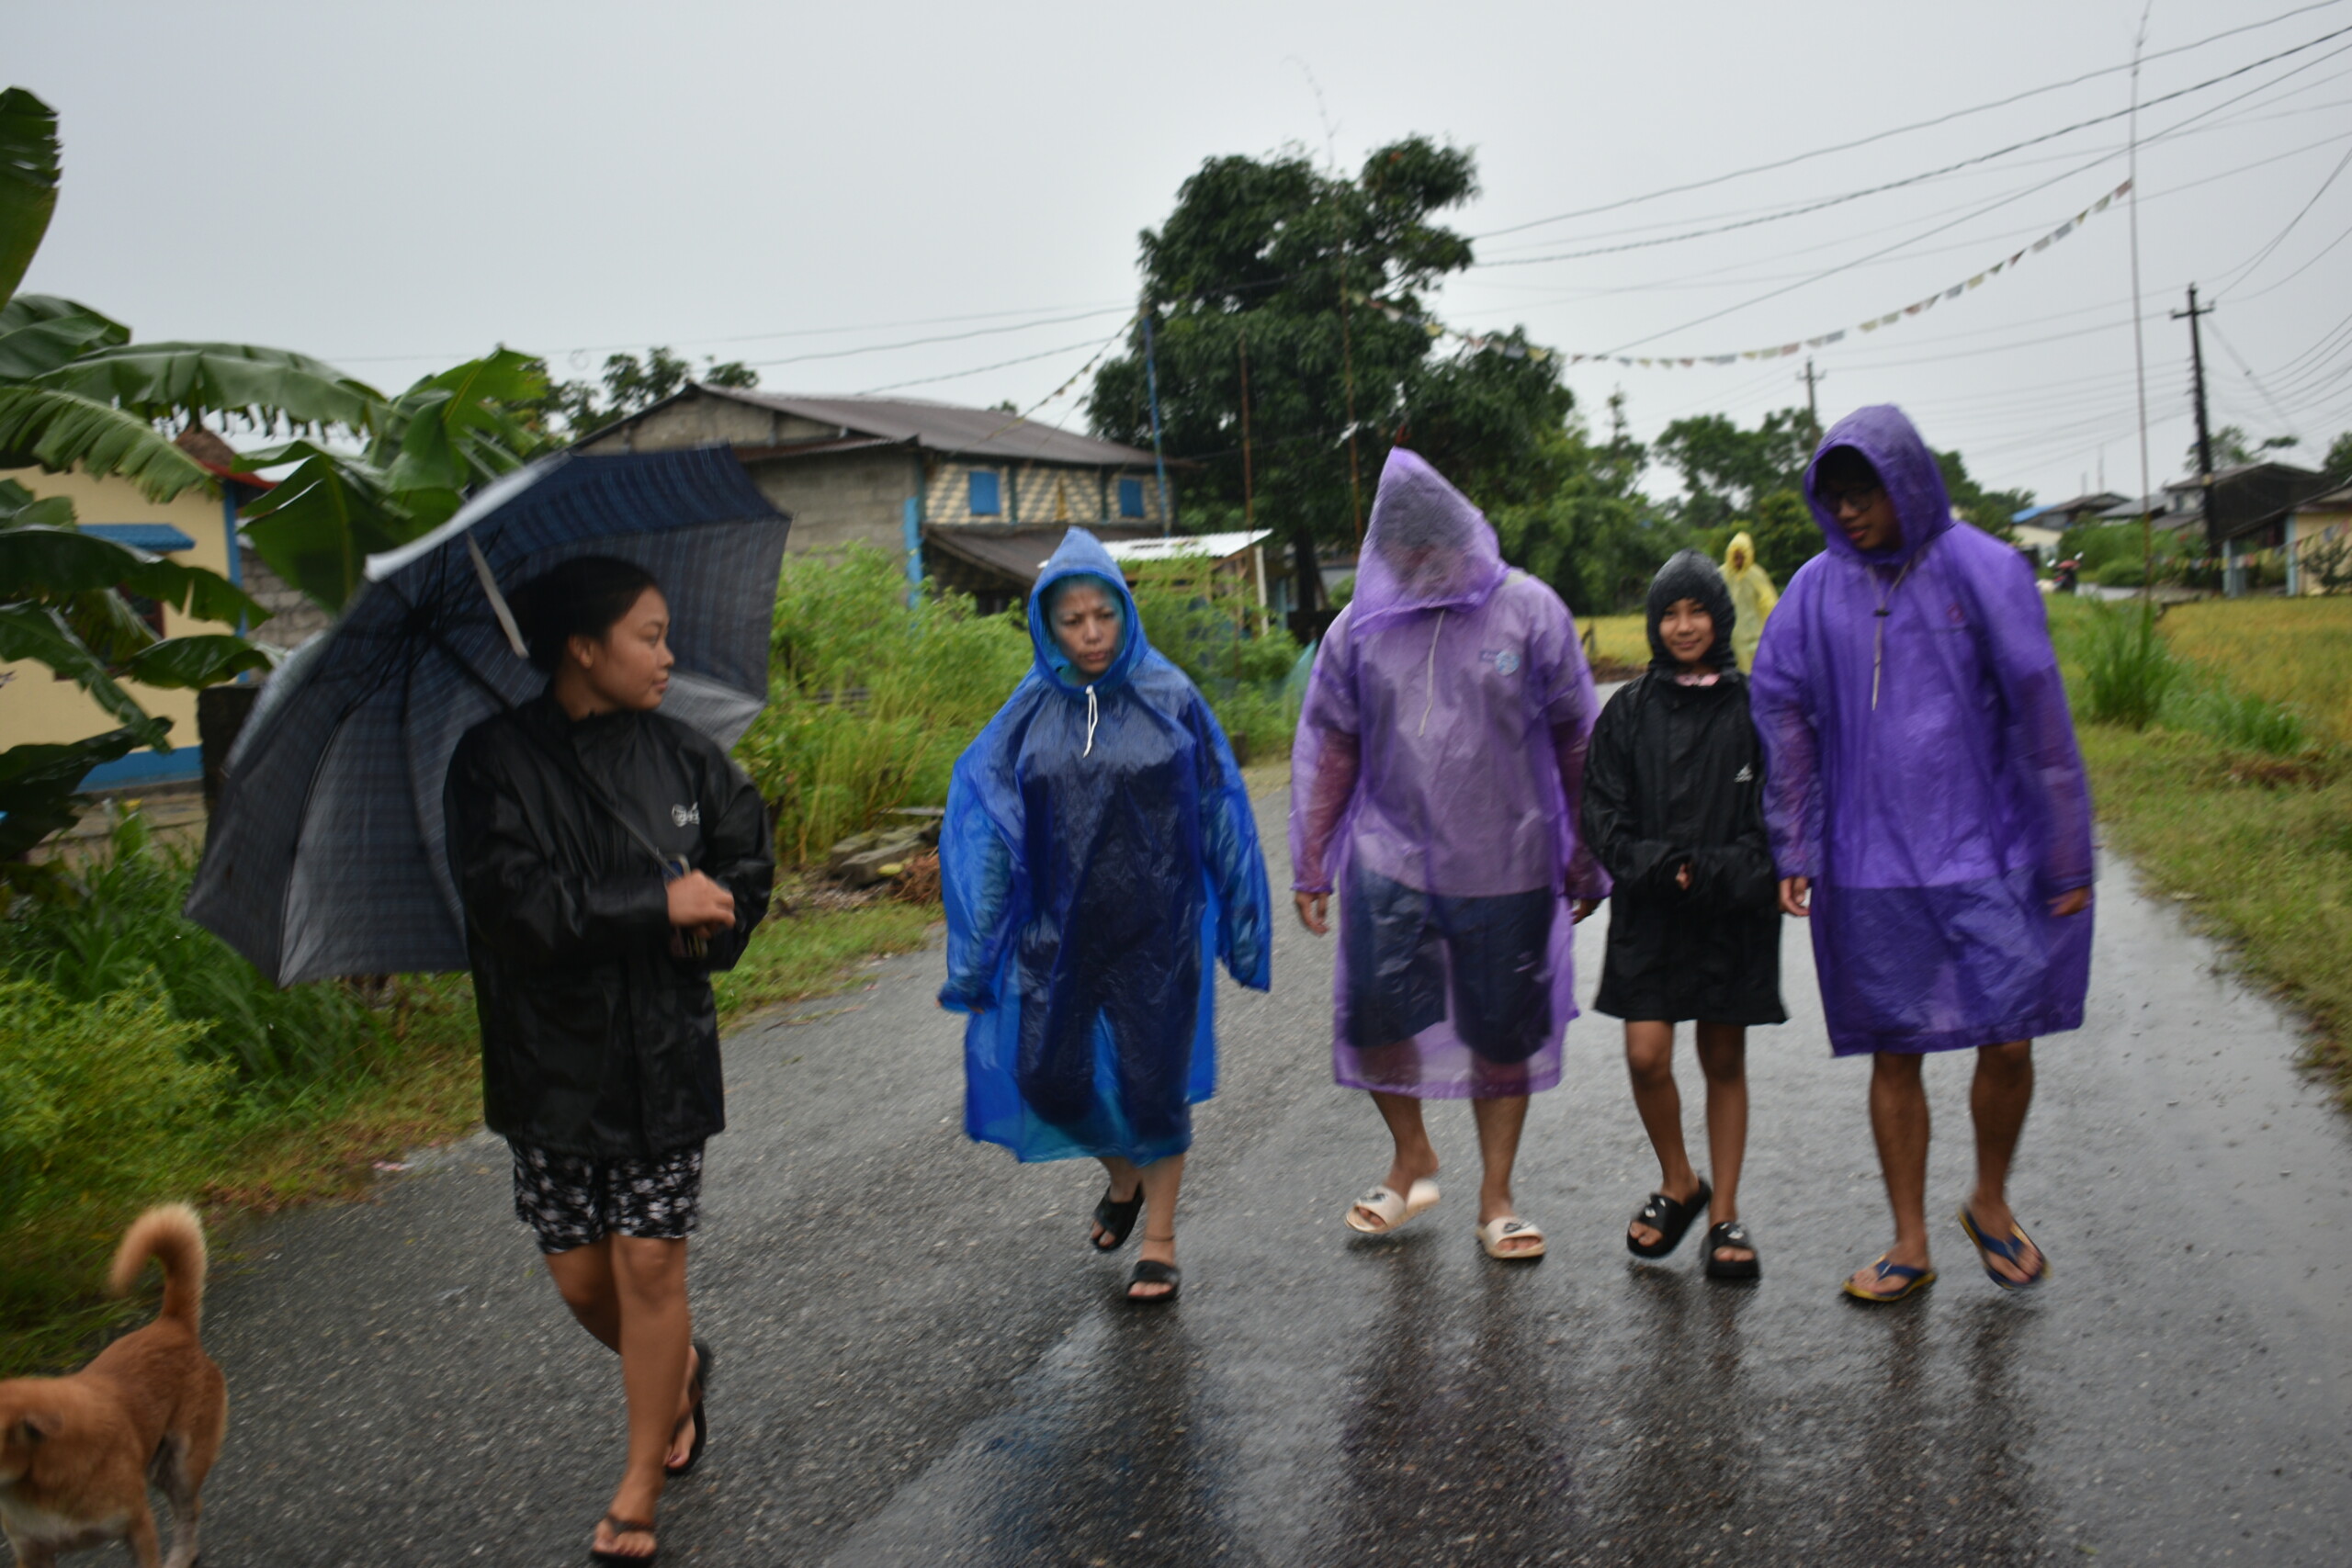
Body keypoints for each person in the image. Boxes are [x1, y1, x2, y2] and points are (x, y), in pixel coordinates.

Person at [444, 555, 773, 1564]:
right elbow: (515, 909)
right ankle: (676, 1375)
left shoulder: (686, 759)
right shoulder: (491, 763)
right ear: (582, 648)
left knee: (648, 1264)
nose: (669, 655)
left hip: (664, 1059)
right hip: (549, 1066)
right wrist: (651, 904)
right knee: (585, 1281)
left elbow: (744, 863)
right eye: (648, 635)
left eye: (666, 633)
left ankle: (639, 1484)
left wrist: (709, 921)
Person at [1749, 407, 2094, 1304]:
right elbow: (1778, 703)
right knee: (1893, 1048)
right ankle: (1908, 1239)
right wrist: (1795, 832)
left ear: (1906, 481)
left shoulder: (1984, 569)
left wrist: (2064, 850)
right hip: (1868, 861)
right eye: (1835, 497)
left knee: (2008, 1037)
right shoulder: (1814, 591)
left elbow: (2040, 715)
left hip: (1988, 852)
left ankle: (1988, 1197)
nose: (1851, 511)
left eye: (1864, 491)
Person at [1290, 446, 1608, 1262]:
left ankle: (1497, 1196)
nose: (1424, 566)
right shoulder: (1358, 626)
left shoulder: (1528, 612)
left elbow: (1577, 740)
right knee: (1375, 1017)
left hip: (1508, 859)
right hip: (1390, 858)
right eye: (1405, 553)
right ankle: (1412, 1156)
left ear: (1465, 539)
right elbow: (1333, 745)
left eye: (1437, 549)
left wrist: (1584, 852)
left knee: (1502, 1033)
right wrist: (1312, 855)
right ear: (1383, 553)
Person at [938, 527, 1271, 1304]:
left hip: (1159, 931)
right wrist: (976, 951)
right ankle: (1123, 1178)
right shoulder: (1027, 712)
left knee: (1157, 1087)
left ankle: (1159, 1239)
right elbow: (984, 829)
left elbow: (1223, 812)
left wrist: (1245, 928)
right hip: (1053, 934)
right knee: (1047, 1078)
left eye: (1103, 616)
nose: (1090, 634)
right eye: (1072, 620)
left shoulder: (1171, 696)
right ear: (1046, 625)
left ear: (1125, 612)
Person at [1582, 550, 1785, 1280]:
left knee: (1724, 1057)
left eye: (1698, 610)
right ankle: (1680, 1179)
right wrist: (1661, 866)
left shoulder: (1757, 708)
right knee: (1646, 1054)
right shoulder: (1628, 713)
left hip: (1733, 911)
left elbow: (1782, 816)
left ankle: (1725, 1210)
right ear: (1653, 623)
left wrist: (1719, 871)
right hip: (1651, 911)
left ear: (1720, 617)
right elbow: (1601, 814)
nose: (1685, 625)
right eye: (1670, 612)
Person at [1719, 530, 1780, 671]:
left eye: (1742, 557)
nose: (1738, 561)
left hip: (1755, 635)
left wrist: (1772, 630)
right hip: (1732, 637)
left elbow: (1769, 603)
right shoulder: (1722, 575)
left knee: (1758, 671)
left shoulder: (1756, 575)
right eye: (1736, 557)